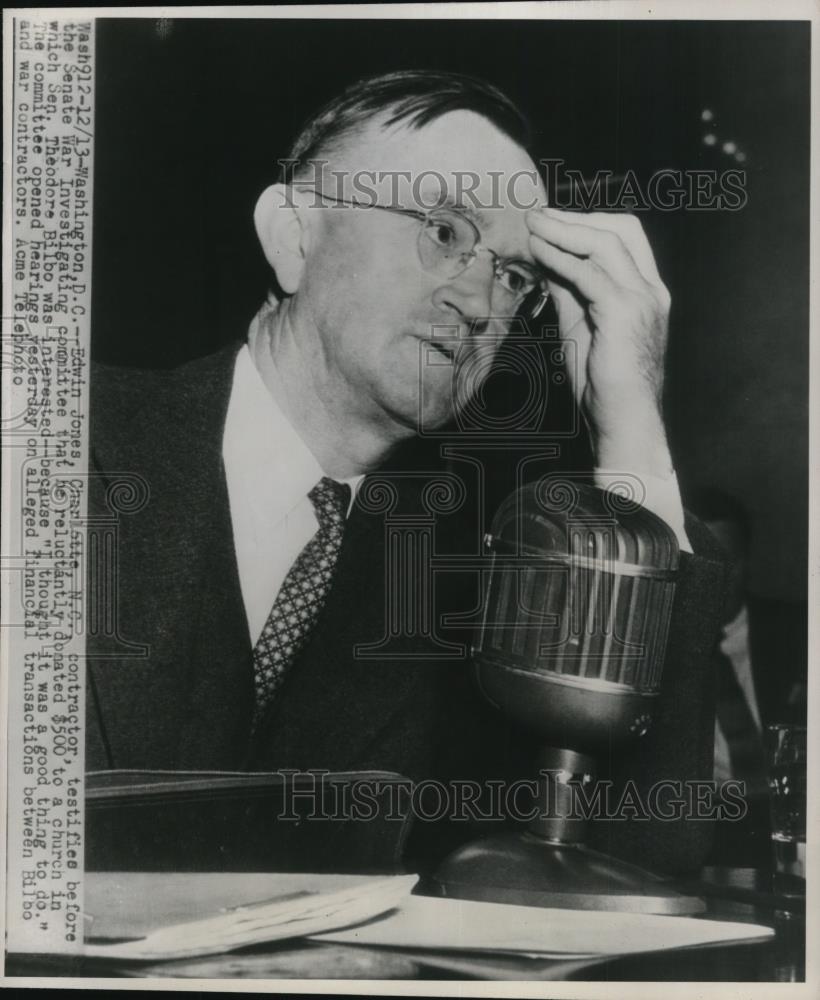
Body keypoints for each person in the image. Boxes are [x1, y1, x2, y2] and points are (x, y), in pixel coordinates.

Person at [87, 70, 726, 875]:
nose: (482, 303)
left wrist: (631, 435)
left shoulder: (467, 582)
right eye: (447, 231)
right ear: (294, 236)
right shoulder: (54, 444)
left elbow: (638, 865)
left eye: (516, 275)